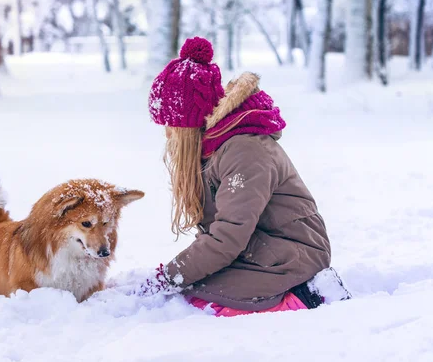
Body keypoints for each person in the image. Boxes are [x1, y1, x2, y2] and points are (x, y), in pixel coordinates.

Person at [137, 37, 350, 316]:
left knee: (202, 301)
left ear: (188, 123)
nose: (167, 134)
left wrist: (169, 277)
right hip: (257, 247)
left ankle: (310, 295)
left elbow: (227, 236)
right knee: (193, 288)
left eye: (170, 125)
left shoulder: (244, 152)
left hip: (292, 255)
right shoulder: (213, 145)